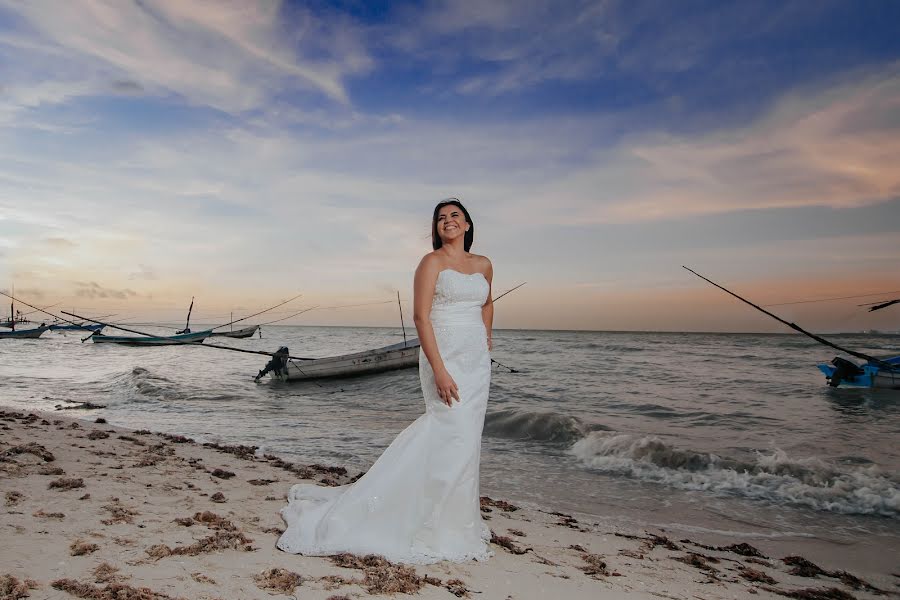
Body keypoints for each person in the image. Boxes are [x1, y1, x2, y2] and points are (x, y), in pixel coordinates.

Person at [276, 198, 494, 564]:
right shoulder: (431, 263)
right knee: (447, 429)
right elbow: (421, 318)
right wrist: (439, 369)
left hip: (476, 364)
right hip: (445, 358)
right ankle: (420, 517)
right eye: (441, 218)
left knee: (467, 440)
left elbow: (486, 304)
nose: (448, 221)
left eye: (455, 215)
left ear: (468, 224)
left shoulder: (484, 265)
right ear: (436, 228)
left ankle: (457, 520)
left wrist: (487, 340)